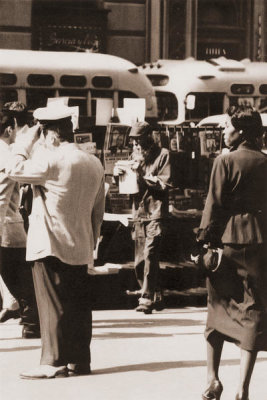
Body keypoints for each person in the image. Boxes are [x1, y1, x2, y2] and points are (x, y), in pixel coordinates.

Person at [5, 104, 105, 379]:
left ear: (51, 135)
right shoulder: (94, 162)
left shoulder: (52, 160)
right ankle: (79, 361)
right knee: (78, 305)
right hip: (81, 245)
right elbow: (99, 211)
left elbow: (13, 169)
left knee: (51, 305)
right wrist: (91, 244)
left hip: (50, 243)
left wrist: (25, 142)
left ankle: (53, 361)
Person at [196, 105, 267, 400]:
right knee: (252, 310)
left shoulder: (225, 161)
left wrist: (202, 240)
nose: (224, 131)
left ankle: (213, 380)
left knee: (217, 307)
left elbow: (214, 205)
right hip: (260, 240)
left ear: (240, 131)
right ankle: (243, 389)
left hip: (227, 239)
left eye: (227, 126)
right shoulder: (265, 161)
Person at [115, 121, 171, 314]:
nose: (136, 145)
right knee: (140, 259)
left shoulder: (163, 155)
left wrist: (142, 173)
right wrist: (119, 175)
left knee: (150, 254)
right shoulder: (134, 157)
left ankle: (146, 297)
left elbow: (163, 185)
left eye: (139, 141)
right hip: (138, 213)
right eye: (133, 142)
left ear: (149, 139)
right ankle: (156, 294)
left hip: (156, 212)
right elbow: (129, 187)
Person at [0, 102, 40, 337]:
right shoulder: (6, 155)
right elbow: (2, 196)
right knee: (22, 277)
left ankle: (25, 317)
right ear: (9, 129)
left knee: (14, 276)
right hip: (8, 227)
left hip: (7, 226)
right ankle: (31, 323)